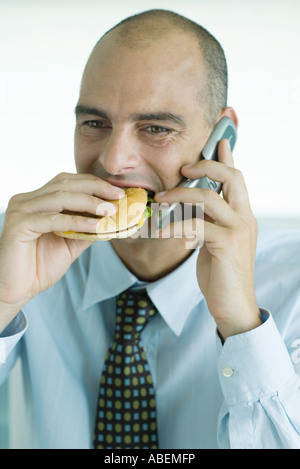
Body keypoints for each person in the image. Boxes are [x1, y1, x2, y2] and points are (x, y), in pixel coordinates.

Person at [0, 9, 300, 450]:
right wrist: (4, 302)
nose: (113, 161)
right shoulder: (17, 252)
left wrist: (241, 326)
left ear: (223, 137)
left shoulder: (292, 285)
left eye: (156, 128)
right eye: (95, 124)